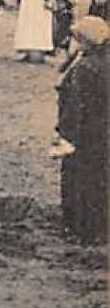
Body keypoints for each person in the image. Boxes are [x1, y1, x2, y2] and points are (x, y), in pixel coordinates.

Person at [53, 15, 109, 244]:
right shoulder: (101, 62)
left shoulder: (85, 68)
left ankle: (79, 228)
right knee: (100, 180)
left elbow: (75, 106)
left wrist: (65, 136)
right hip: (103, 134)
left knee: (79, 180)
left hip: (84, 133)